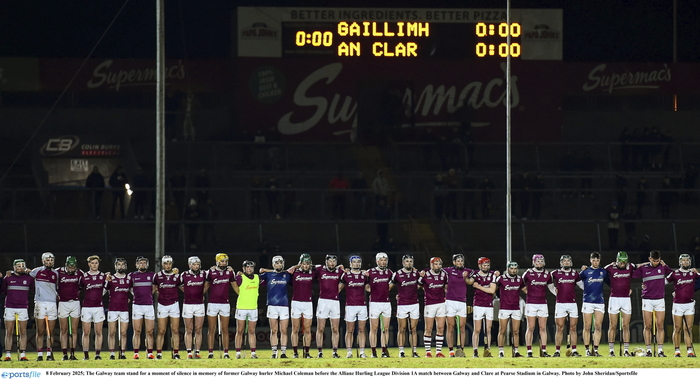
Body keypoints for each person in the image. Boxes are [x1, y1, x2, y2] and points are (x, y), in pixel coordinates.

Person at [632, 250, 673, 357]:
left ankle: (660, 351)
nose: (656, 263)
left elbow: (673, 275)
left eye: (658, 261)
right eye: (654, 261)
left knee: (660, 325)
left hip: (660, 300)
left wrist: (666, 265)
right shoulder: (643, 268)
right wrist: (637, 265)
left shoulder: (663, 267)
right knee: (648, 325)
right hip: (647, 300)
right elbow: (631, 275)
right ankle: (649, 350)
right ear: (650, 259)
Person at [548, 254, 581, 358]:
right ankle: (557, 351)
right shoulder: (555, 273)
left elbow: (582, 285)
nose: (566, 262)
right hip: (560, 304)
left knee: (573, 328)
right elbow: (548, 282)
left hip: (572, 303)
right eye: (564, 261)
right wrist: (554, 291)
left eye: (568, 261)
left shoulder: (575, 273)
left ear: (570, 262)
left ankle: (574, 350)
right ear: (561, 263)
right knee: (560, 327)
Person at [259, 255, 292, 359]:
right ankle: (274, 352)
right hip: (272, 305)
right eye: (277, 263)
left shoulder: (287, 275)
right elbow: (254, 276)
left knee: (284, 330)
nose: (279, 265)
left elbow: (295, 269)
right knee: (273, 330)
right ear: (273, 264)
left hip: (284, 305)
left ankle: (283, 352)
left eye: (280, 263)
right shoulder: (268, 275)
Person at [604, 251, 636, 357]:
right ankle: (611, 351)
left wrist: (658, 263)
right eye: (620, 262)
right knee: (612, 325)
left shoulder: (630, 266)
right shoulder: (610, 267)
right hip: (614, 299)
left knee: (626, 326)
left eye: (624, 262)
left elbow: (640, 266)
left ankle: (626, 350)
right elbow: (599, 272)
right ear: (617, 260)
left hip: (626, 299)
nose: (622, 264)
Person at [666, 254, 698, 358]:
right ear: (680, 262)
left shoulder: (693, 273)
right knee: (677, 328)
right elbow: (663, 282)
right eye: (683, 260)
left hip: (689, 304)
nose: (685, 262)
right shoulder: (674, 274)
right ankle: (677, 351)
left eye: (687, 260)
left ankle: (689, 351)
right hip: (678, 304)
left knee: (688, 328)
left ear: (690, 262)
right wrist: (648, 285)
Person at [205, 253, 236, 359]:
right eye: (222, 261)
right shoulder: (211, 272)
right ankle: (210, 352)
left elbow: (235, 286)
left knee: (225, 329)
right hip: (212, 303)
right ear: (217, 261)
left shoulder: (230, 272)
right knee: (212, 329)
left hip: (225, 303)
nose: (224, 263)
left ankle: (226, 352)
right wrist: (200, 296)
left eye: (225, 261)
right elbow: (205, 286)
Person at [29, 252, 58, 361]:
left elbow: (57, 287)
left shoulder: (56, 273)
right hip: (40, 303)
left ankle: (49, 354)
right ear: (43, 261)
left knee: (50, 331)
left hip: (52, 304)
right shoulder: (37, 271)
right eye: (47, 260)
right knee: (40, 331)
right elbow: (25, 274)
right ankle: (40, 354)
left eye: (51, 260)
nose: (49, 262)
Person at [314, 254, 344, 358]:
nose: (332, 263)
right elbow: (307, 266)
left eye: (334, 261)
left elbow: (346, 279)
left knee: (335, 328)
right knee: (320, 328)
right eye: (330, 261)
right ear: (326, 262)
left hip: (335, 302)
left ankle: (335, 351)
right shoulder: (319, 269)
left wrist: (339, 289)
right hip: (323, 301)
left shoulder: (340, 271)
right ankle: (320, 352)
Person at [522, 254, 552, 358]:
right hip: (531, 303)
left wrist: (559, 294)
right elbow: (520, 284)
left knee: (543, 328)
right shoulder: (528, 273)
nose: (539, 263)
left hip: (543, 303)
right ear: (533, 262)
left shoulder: (547, 274)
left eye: (541, 261)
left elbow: (551, 288)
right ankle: (529, 351)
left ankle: (543, 350)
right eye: (537, 261)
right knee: (530, 327)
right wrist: (528, 293)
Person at [2, 259, 33, 361]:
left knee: (23, 332)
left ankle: (23, 355)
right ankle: (8, 355)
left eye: (22, 265)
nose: (21, 268)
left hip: (23, 307)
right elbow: (2, 290)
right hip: (10, 307)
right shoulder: (8, 278)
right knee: (9, 331)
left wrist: (31, 273)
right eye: (18, 266)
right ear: (14, 267)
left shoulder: (29, 278)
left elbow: (35, 288)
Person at [391, 254, 421, 358]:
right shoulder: (397, 274)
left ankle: (414, 351)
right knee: (402, 328)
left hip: (414, 303)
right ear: (403, 263)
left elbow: (420, 285)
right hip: (402, 304)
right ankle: (401, 351)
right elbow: (389, 286)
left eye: (410, 261)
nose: (409, 263)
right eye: (407, 261)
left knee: (413, 329)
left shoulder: (416, 273)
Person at [579, 252, 608, 357]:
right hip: (587, 302)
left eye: (597, 260)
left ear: (600, 260)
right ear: (590, 260)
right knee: (587, 326)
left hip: (599, 302)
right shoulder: (585, 272)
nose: (595, 262)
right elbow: (576, 280)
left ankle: (595, 350)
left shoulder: (603, 272)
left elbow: (611, 283)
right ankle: (587, 349)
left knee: (598, 326)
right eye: (594, 260)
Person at [443, 253, 472, 357]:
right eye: (458, 261)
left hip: (462, 302)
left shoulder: (468, 271)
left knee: (462, 327)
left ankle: (461, 350)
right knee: (450, 326)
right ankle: (451, 351)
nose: (460, 263)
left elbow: (479, 273)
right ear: (454, 262)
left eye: (461, 261)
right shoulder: (448, 271)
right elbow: (435, 271)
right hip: (450, 301)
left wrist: (494, 273)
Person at [152, 255, 181, 360]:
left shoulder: (177, 276)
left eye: (169, 263)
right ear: (162, 264)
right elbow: (154, 289)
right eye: (165, 263)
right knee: (161, 330)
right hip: (162, 305)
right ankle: (159, 353)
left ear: (172, 264)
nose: (168, 266)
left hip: (174, 304)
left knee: (175, 330)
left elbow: (183, 287)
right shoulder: (157, 276)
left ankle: (176, 353)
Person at [178, 256, 207, 359]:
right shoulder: (184, 275)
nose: (196, 266)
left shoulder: (204, 274)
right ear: (189, 265)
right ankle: (189, 352)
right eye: (194, 264)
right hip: (187, 305)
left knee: (198, 329)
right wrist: (187, 292)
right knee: (188, 329)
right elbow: (178, 284)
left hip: (199, 304)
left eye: (197, 264)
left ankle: (197, 351)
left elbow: (209, 281)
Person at [418, 257, 448, 357]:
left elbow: (446, 288)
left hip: (441, 304)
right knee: (429, 328)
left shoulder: (444, 274)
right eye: (436, 264)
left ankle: (438, 352)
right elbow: (417, 286)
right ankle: (428, 352)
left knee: (440, 328)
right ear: (431, 264)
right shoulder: (425, 274)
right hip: (430, 304)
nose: (438, 266)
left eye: (439, 264)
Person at [468, 257, 497, 358]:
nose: (486, 267)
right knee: (477, 329)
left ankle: (487, 349)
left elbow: (492, 290)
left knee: (488, 329)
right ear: (479, 265)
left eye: (487, 265)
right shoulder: (475, 274)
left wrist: (479, 287)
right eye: (484, 265)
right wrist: (466, 279)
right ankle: (475, 351)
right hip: (478, 305)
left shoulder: (492, 275)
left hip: (489, 305)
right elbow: (469, 281)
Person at [287, 254, 316, 358]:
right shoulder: (294, 272)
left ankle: (307, 353)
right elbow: (285, 272)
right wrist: (295, 266)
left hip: (308, 303)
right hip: (296, 303)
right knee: (295, 328)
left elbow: (323, 268)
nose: (305, 265)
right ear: (300, 263)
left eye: (307, 263)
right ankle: (295, 353)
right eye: (303, 263)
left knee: (307, 329)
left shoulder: (313, 272)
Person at [495, 261, 525, 358]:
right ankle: (501, 351)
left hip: (516, 308)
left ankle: (516, 351)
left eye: (515, 268)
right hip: (504, 308)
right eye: (511, 268)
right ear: (508, 269)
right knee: (502, 330)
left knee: (516, 331)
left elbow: (526, 290)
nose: (513, 270)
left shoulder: (520, 279)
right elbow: (493, 289)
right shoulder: (501, 279)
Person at [366, 252, 393, 358]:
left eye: (385, 260)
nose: (383, 262)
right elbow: (365, 284)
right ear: (377, 261)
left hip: (386, 303)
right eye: (381, 260)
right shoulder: (370, 272)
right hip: (374, 303)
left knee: (385, 328)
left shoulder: (390, 273)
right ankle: (373, 352)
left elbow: (392, 284)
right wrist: (370, 291)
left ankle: (384, 350)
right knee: (374, 328)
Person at [341, 255, 368, 358]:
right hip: (350, 305)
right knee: (350, 330)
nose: (357, 263)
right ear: (350, 263)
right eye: (355, 262)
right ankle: (349, 351)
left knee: (362, 329)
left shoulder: (364, 275)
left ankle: (362, 352)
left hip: (362, 305)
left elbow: (368, 288)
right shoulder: (346, 275)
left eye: (358, 262)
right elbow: (338, 288)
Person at [80, 255, 107, 360]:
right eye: (92, 263)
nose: (94, 265)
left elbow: (108, 289)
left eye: (96, 263)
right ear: (89, 264)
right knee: (86, 332)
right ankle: (86, 355)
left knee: (98, 332)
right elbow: (78, 289)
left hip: (98, 307)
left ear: (98, 264)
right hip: (86, 307)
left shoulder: (103, 276)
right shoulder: (84, 276)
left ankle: (97, 354)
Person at [232, 260, 260, 359]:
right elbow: (232, 282)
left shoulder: (257, 277)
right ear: (243, 268)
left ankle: (253, 353)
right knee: (239, 331)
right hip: (242, 307)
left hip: (253, 307)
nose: (249, 269)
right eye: (247, 267)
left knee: (252, 331)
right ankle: (238, 353)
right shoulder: (240, 278)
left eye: (251, 267)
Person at [129, 256, 156, 359]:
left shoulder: (152, 275)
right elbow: (128, 288)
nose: (142, 264)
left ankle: (149, 352)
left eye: (144, 263)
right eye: (140, 263)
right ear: (136, 265)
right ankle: (136, 353)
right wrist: (136, 295)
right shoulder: (132, 276)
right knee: (137, 330)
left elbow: (155, 287)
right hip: (137, 306)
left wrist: (148, 294)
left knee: (149, 331)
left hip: (149, 305)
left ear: (147, 265)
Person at [57, 256, 82, 361]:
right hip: (63, 303)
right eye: (70, 266)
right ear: (66, 265)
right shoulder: (58, 271)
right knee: (64, 330)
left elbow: (83, 285)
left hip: (75, 302)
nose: (72, 268)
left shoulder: (80, 273)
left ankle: (72, 353)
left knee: (74, 330)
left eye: (74, 266)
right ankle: (64, 354)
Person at [105, 258, 131, 360]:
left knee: (123, 333)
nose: (121, 266)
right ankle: (112, 353)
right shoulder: (111, 278)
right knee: (112, 332)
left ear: (125, 266)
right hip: (113, 309)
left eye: (122, 264)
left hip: (124, 309)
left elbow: (133, 291)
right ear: (115, 266)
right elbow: (103, 291)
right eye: (118, 264)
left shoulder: (129, 279)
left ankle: (123, 353)